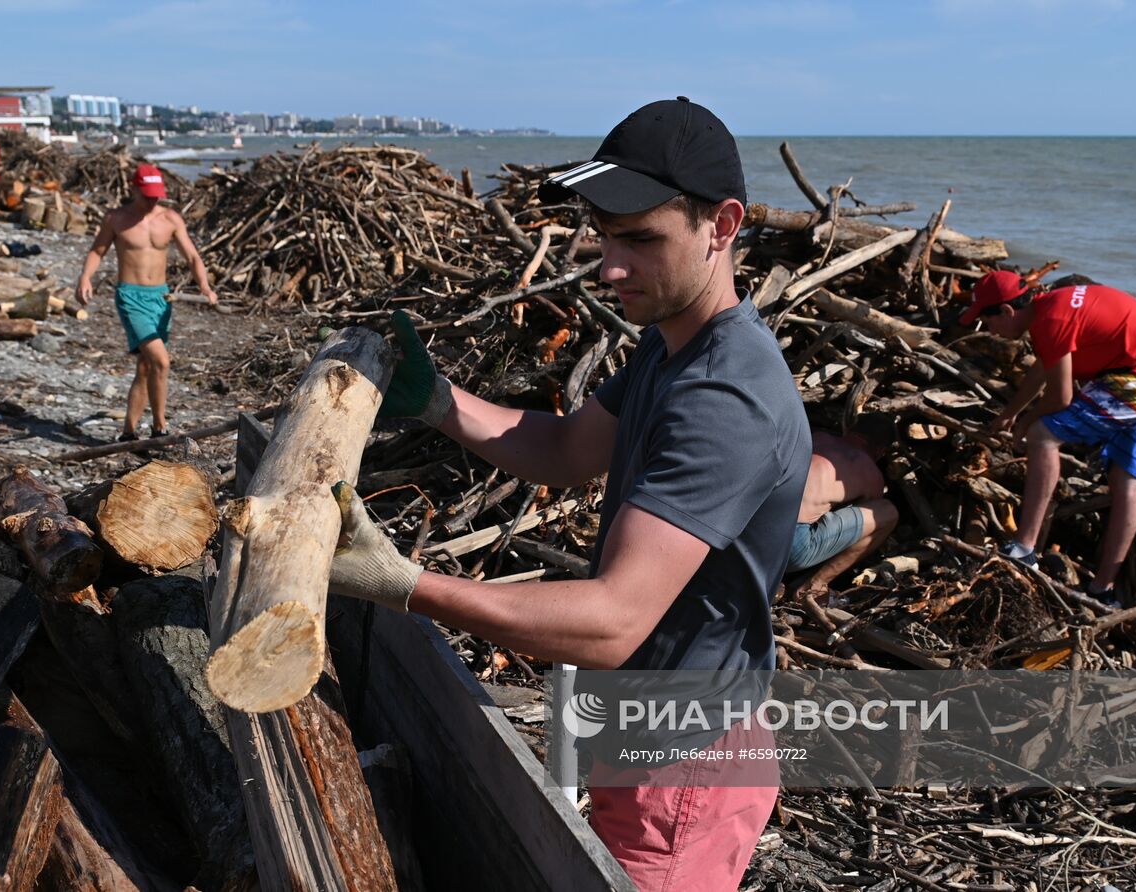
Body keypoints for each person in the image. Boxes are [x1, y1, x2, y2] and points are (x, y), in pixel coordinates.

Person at [326, 97, 811, 891]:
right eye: (605, 234)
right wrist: (440, 400)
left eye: (641, 239)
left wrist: (405, 586)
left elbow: (613, 622)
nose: (609, 266)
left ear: (722, 225)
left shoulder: (729, 396)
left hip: (687, 767)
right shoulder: (674, 349)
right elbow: (564, 450)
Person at [962, 270, 1136, 600]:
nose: (991, 331)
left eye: (989, 321)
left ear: (1008, 311)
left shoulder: (1050, 320)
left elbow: (1060, 398)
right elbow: (1043, 368)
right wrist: (1008, 414)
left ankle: (1024, 548)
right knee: (1126, 479)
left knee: (1044, 434)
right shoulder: (1052, 309)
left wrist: (1026, 421)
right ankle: (1103, 589)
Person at [76, 164, 217, 441]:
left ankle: (128, 432)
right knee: (161, 362)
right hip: (130, 297)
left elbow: (192, 257)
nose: (153, 200)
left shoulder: (171, 219)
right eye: (147, 194)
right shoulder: (116, 218)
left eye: (156, 195)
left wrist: (205, 286)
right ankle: (159, 428)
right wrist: (85, 278)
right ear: (134, 188)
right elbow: (97, 250)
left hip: (161, 299)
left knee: (146, 365)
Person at [787, 413, 899, 603]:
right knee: (887, 513)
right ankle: (814, 587)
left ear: (849, 429)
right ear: (881, 451)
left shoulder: (818, 438)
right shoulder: (871, 473)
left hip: (750, 530)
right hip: (790, 549)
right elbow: (863, 528)